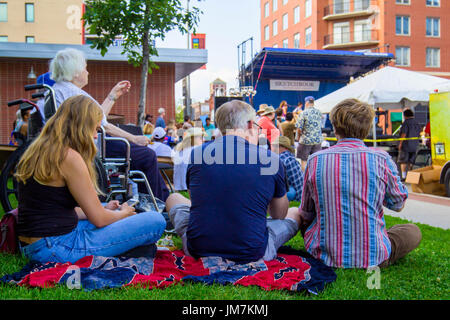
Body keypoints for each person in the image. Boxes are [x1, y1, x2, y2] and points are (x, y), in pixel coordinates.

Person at [15, 95, 166, 264]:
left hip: (33, 245)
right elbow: (99, 220)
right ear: (81, 127)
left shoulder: (39, 149)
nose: (95, 136)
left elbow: (55, 209)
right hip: (57, 248)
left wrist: (107, 209)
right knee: (155, 220)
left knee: (104, 208)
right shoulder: (69, 157)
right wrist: (123, 214)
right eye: (94, 129)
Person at [166, 100, 302, 263]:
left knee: (173, 198)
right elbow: (278, 214)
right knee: (295, 212)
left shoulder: (198, 154)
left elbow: (195, 200)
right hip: (253, 251)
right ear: (251, 124)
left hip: (198, 248)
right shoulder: (270, 159)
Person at [299, 98, 421, 269]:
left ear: (335, 127)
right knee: (412, 231)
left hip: (323, 254)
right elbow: (398, 204)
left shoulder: (315, 160)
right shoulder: (382, 159)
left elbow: (306, 213)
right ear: (368, 128)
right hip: (373, 256)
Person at [49, 48, 169, 201]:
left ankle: (151, 199)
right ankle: (159, 201)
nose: (88, 72)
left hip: (75, 143)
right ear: (75, 72)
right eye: (85, 68)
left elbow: (99, 118)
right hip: (90, 145)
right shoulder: (76, 95)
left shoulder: (58, 90)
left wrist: (112, 96)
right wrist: (134, 138)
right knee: (147, 156)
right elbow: (103, 125)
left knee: (139, 154)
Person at [272, 136, 303, 202]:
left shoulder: (284, 160)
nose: (273, 148)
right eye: (274, 146)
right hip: (291, 191)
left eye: (276, 146)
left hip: (288, 192)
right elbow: (297, 182)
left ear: (284, 147)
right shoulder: (290, 158)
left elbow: (296, 182)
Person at [295, 96, 323, 172]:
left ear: (306, 103)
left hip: (305, 140)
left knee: (304, 161)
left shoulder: (303, 113)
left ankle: (304, 180)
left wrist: (298, 138)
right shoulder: (319, 112)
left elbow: (299, 128)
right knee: (316, 162)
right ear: (313, 103)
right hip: (317, 140)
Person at [398, 109, 422, 180]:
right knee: (411, 161)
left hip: (406, 145)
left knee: (403, 161)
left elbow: (403, 134)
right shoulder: (417, 123)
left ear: (405, 115)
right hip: (415, 145)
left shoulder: (406, 123)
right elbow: (419, 133)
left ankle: (404, 177)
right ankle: (411, 177)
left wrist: (400, 143)